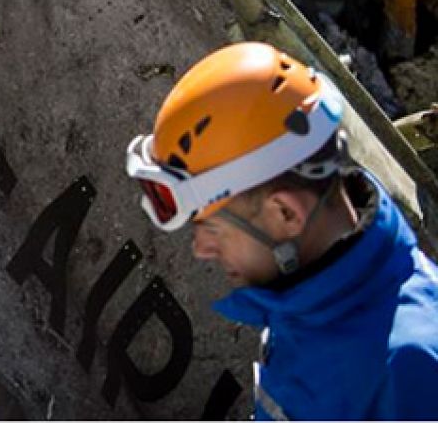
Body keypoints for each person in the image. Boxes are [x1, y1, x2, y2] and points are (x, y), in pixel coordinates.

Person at [125, 41, 438, 420]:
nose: (201, 249)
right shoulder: (313, 294)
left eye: (212, 228)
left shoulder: (411, 370)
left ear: (286, 213)